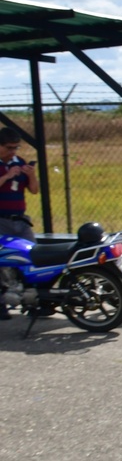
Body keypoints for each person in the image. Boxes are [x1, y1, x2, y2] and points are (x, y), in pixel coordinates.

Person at [0, 127, 39, 320]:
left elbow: (33, 190)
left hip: (20, 220)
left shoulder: (19, 162)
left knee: (33, 257)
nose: (13, 152)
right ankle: (2, 303)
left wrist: (30, 175)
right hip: (1, 220)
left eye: (16, 147)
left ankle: (34, 300)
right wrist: (6, 176)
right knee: (3, 263)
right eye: (8, 148)